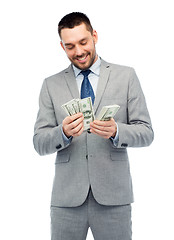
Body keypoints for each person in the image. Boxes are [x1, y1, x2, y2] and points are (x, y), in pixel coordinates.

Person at [33, 12, 154, 240]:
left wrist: (118, 131)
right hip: (66, 200)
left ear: (94, 36)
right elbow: (39, 142)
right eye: (70, 46)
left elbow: (146, 132)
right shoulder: (50, 85)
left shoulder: (126, 76)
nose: (78, 52)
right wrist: (63, 133)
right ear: (62, 46)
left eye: (83, 42)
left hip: (114, 198)